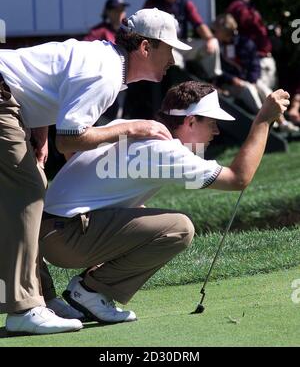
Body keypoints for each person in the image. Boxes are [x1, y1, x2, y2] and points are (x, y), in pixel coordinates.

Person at [0, 8, 192, 335]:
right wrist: (134, 127)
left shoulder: (105, 61)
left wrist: (38, 131)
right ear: (145, 48)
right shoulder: (105, 72)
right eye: (168, 49)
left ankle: (41, 298)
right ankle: (24, 309)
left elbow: (49, 89)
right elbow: (71, 140)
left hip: (12, 101)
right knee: (27, 193)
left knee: (27, 190)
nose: (173, 60)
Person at [38, 81, 289, 324]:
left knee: (143, 213)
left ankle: (86, 289)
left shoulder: (133, 127)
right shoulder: (166, 150)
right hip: (66, 239)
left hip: (50, 233)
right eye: (212, 123)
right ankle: (90, 291)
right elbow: (238, 179)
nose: (216, 132)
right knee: (178, 228)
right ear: (191, 121)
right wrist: (263, 120)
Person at [144, 0, 222, 79]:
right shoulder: (153, 2)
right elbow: (145, 27)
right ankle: (180, 84)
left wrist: (210, 39)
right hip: (162, 45)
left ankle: (213, 81)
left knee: (213, 46)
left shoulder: (184, 3)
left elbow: (198, 24)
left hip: (181, 44)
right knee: (176, 61)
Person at [84, 0, 130, 121]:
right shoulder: (98, 31)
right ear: (108, 12)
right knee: (107, 118)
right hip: (106, 82)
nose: (120, 13)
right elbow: (84, 50)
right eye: (116, 10)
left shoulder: (127, 32)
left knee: (122, 117)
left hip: (126, 82)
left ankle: (122, 140)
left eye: (122, 10)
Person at [226, 0, 277, 90]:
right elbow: (248, 25)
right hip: (255, 62)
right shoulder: (238, 7)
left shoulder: (245, 7)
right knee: (267, 101)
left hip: (261, 59)